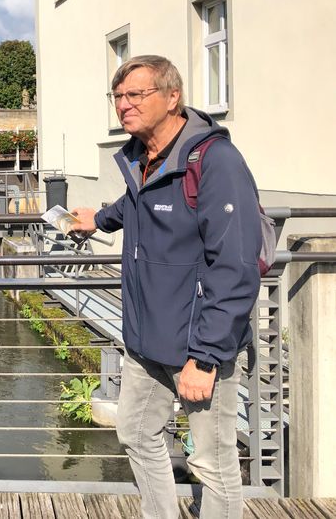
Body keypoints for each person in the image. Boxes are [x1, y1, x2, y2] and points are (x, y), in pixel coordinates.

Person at [71, 55, 262, 519]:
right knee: (135, 433)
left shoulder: (215, 161)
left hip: (197, 345)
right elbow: (139, 201)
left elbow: (236, 268)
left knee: (211, 464)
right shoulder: (142, 156)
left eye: (136, 94)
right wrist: (100, 220)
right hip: (146, 339)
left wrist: (207, 355)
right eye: (118, 96)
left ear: (172, 97)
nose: (123, 105)